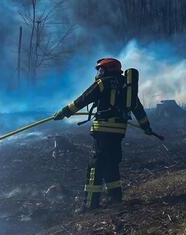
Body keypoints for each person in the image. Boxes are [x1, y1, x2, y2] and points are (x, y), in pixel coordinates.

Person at [53, 57, 152, 209]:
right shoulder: (126, 86)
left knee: (95, 166)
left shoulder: (103, 83)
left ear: (107, 69)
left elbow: (82, 99)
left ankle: (90, 204)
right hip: (119, 131)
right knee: (111, 164)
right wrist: (146, 126)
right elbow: (137, 108)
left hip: (103, 130)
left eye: (101, 69)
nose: (99, 72)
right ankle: (115, 199)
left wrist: (64, 112)